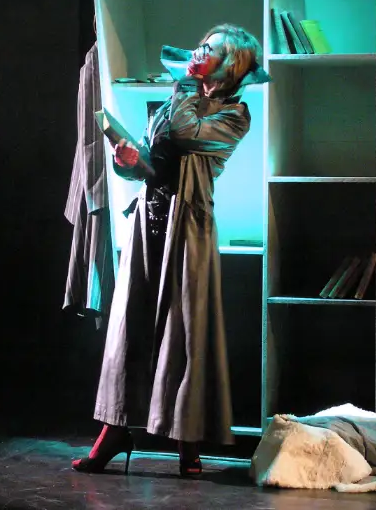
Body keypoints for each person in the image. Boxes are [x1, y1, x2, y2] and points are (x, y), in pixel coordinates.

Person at [72, 24, 271, 477]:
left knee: (185, 334)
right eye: (200, 45)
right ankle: (114, 432)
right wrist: (129, 162)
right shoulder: (174, 101)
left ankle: (188, 442)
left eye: (209, 49)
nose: (197, 52)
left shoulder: (234, 114)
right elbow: (150, 163)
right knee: (130, 329)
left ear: (230, 64)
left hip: (189, 230)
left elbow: (184, 132)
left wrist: (182, 83)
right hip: (148, 224)